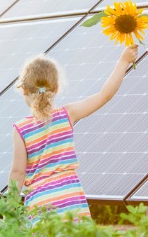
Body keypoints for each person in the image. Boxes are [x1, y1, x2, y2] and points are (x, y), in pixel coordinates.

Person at [8, 44, 139, 223]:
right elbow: (104, 95)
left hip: (40, 205)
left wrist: (9, 213)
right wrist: (124, 60)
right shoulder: (67, 115)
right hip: (72, 201)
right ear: (56, 88)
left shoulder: (20, 129)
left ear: (24, 90)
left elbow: (17, 173)